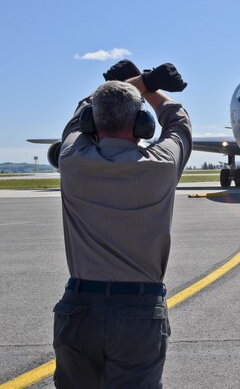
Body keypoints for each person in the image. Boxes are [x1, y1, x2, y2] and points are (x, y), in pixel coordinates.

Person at [52, 60, 191, 388]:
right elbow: (178, 121)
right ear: (143, 123)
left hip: (79, 308)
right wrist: (152, 89)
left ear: (90, 122)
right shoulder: (162, 166)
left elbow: (84, 108)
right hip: (139, 311)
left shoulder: (71, 160)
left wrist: (140, 81)